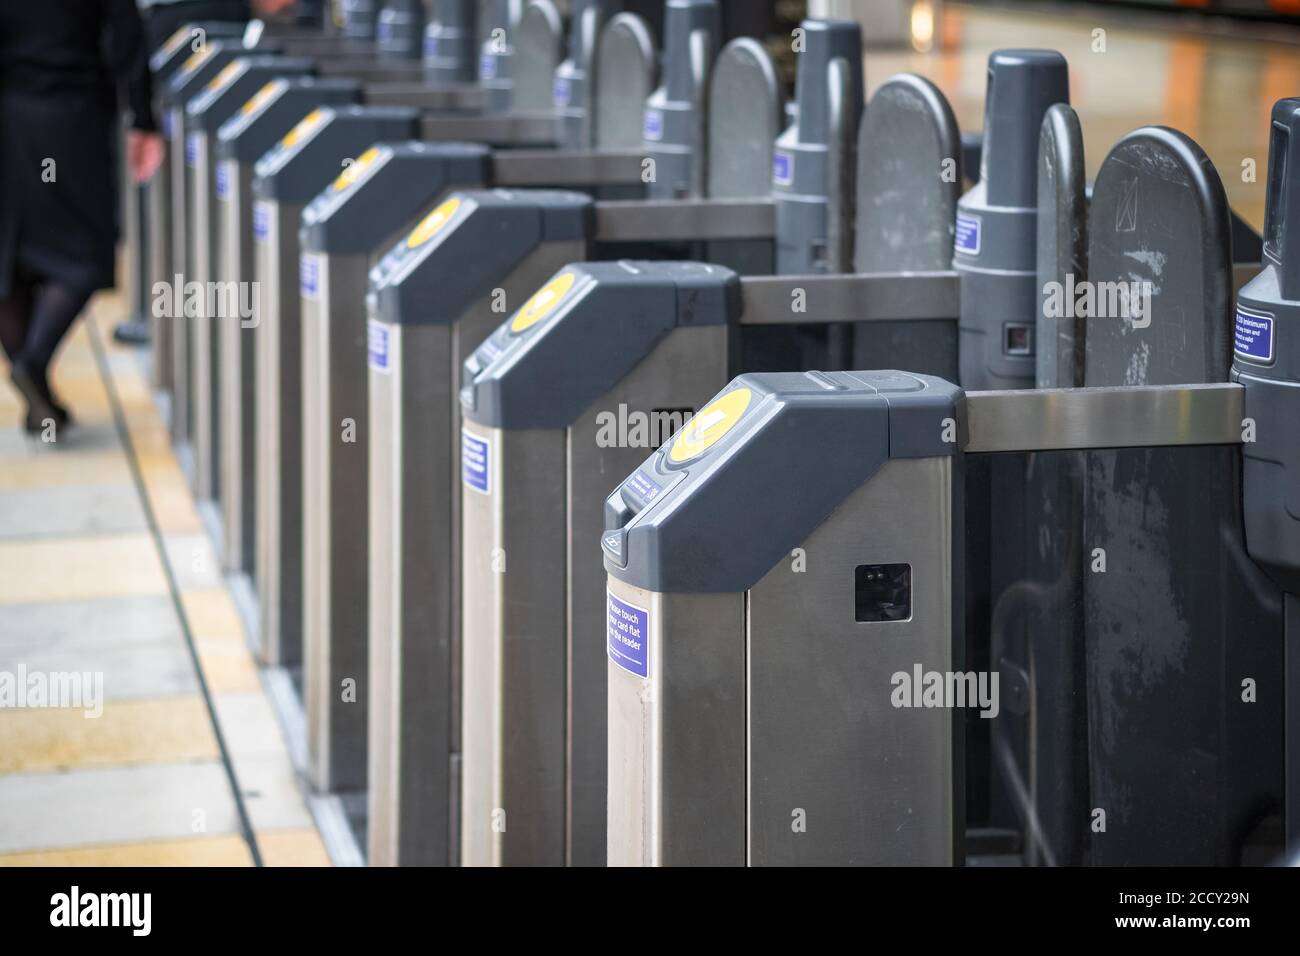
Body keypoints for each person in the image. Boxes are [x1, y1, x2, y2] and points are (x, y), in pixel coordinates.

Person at [0, 2, 165, 434]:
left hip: (10, 115)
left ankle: (32, 377)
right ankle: (32, 363)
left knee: (8, 257)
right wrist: (143, 118)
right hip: (72, 118)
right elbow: (127, 36)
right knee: (83, 252)